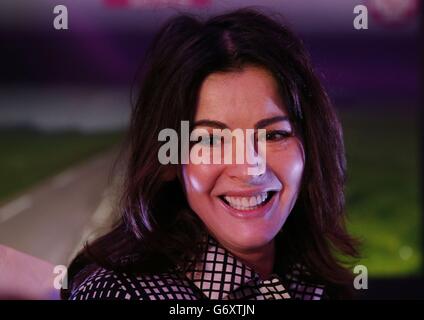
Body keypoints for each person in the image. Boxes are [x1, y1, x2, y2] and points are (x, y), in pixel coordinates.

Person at [62, 8, 359, 300]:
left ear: (311, 148)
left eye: (273, 135)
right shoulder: (121, 294)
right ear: (169, 160)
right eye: (212, 140)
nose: (249, 168)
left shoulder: (319, 286)